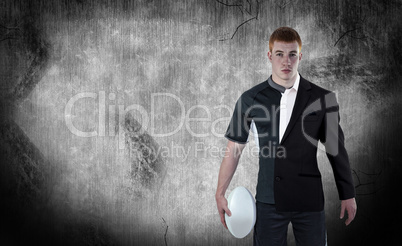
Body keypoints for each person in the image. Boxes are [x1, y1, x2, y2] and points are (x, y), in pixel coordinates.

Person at [215, 27, 357, 246]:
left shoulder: (323, 98)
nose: (286, 61)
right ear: (270, 56)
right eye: (280, 54)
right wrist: (220, 193)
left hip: (309, 201)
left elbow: (336, 150)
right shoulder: (250, 99)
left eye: (292, 55)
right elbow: (233, 150)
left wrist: (347, 194)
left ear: (300, 56)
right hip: (268, 201)